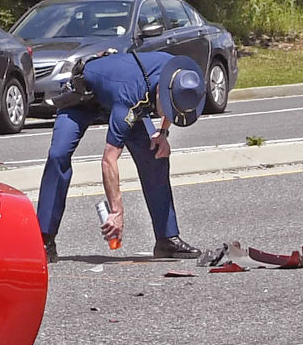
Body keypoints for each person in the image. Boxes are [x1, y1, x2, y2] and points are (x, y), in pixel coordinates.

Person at [36, 50, 206, 262]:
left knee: (156, 156)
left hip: (123, 100)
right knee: (58, 155)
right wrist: (116, 212)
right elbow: (109, 159)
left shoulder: (179, 74)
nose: (168, 115)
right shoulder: (131, 95)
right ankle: (44, 238)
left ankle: (167, 239)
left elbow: (174, 106)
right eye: (168, 110)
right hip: (83, 100)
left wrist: (162, 133)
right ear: (162, 90)